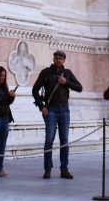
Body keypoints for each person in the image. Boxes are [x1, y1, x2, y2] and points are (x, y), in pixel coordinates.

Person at [32, 49, 83, 179]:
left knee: (64, 140)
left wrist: (66, 82)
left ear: (64, 60)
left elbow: (79, 88)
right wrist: (41, 107)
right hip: (51, 110)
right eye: (56, 58)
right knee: (49, 139)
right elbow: (35, 90)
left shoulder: (67, 73)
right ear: (53, 59)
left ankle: (64, 169)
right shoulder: (46, 72)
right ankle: (47, 169)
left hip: (64, 110)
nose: (58, 60)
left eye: (61, 58)